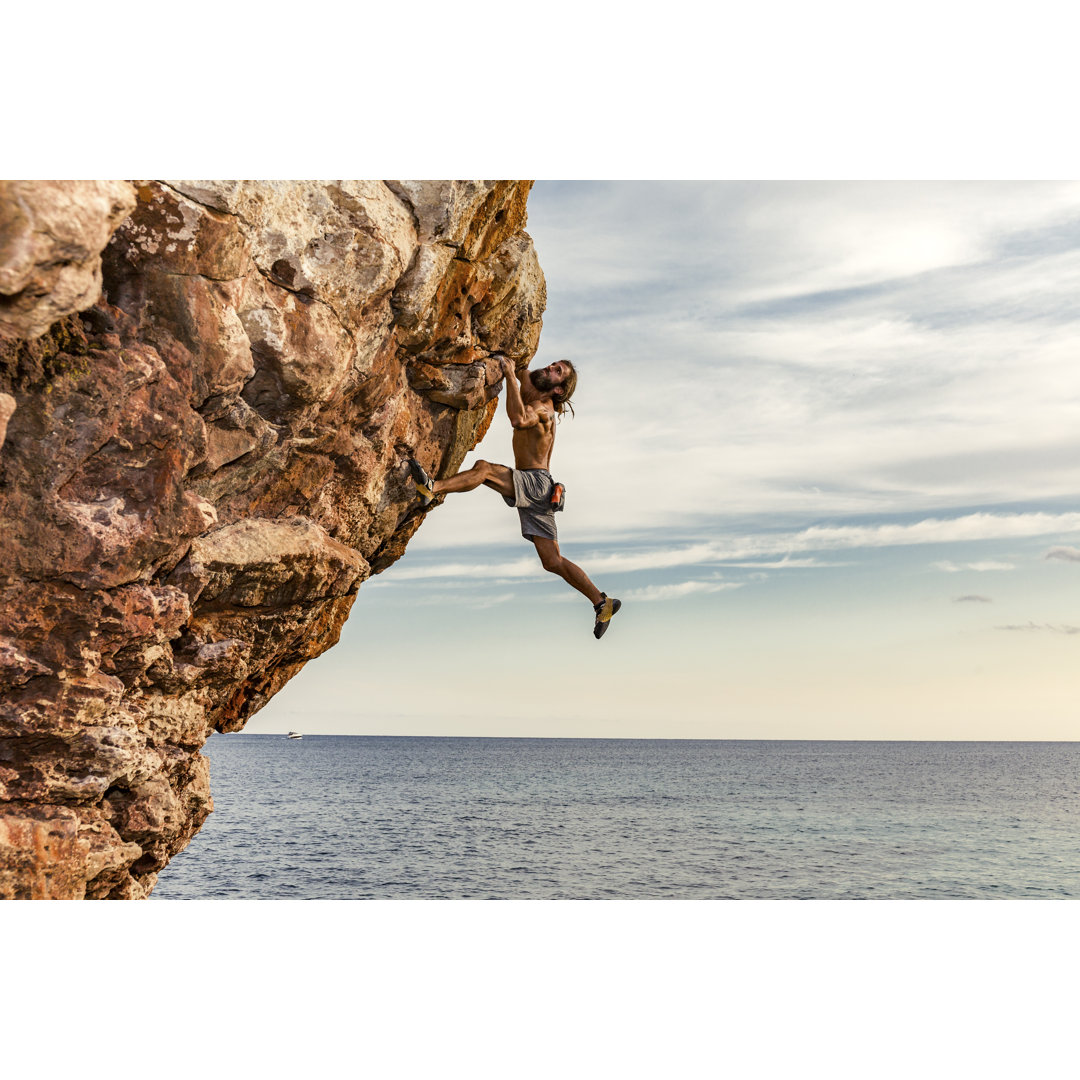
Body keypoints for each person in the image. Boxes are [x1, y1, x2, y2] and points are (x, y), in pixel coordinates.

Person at [409, 355, 622, 639]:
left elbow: (519, 419)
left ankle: (431, 489)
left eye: (558, 371)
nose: (550, 367)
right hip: (542, 487)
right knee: (552, 561)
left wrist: (509, 375)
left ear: (559, 389)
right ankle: (601, 602)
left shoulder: (544, 409)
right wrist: (513, 365)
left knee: (484, 470)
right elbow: (521, 366)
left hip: (534, 482)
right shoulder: (534, 385)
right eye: (554, 364)